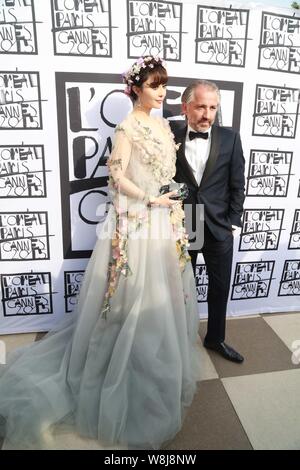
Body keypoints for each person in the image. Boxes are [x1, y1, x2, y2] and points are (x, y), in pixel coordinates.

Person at [0, 56, 201, 450]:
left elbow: (167, 172)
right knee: (130, 297)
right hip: (137, 220)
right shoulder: (126, 127)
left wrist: (171, 196)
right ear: (136, 89)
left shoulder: (162, 124)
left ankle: (155, 361)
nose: (162, 92)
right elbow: (116, 174)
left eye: (164, 85)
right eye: (154, 85)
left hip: (166, 220)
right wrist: (148, 199)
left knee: (164, 297)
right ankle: (120, 367)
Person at [173, 80, 245, 363]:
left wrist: (233, 223)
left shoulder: (231, 138)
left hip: (218, 227)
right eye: (201, 106)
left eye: (213, 107)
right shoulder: (169, 136)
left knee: (219, 288)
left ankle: (216, 338)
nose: (207, 114)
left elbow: (237, 184)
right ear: (185, 107)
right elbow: (165, 181)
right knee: (180, 289)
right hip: (183, 224)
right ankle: (179, 339)